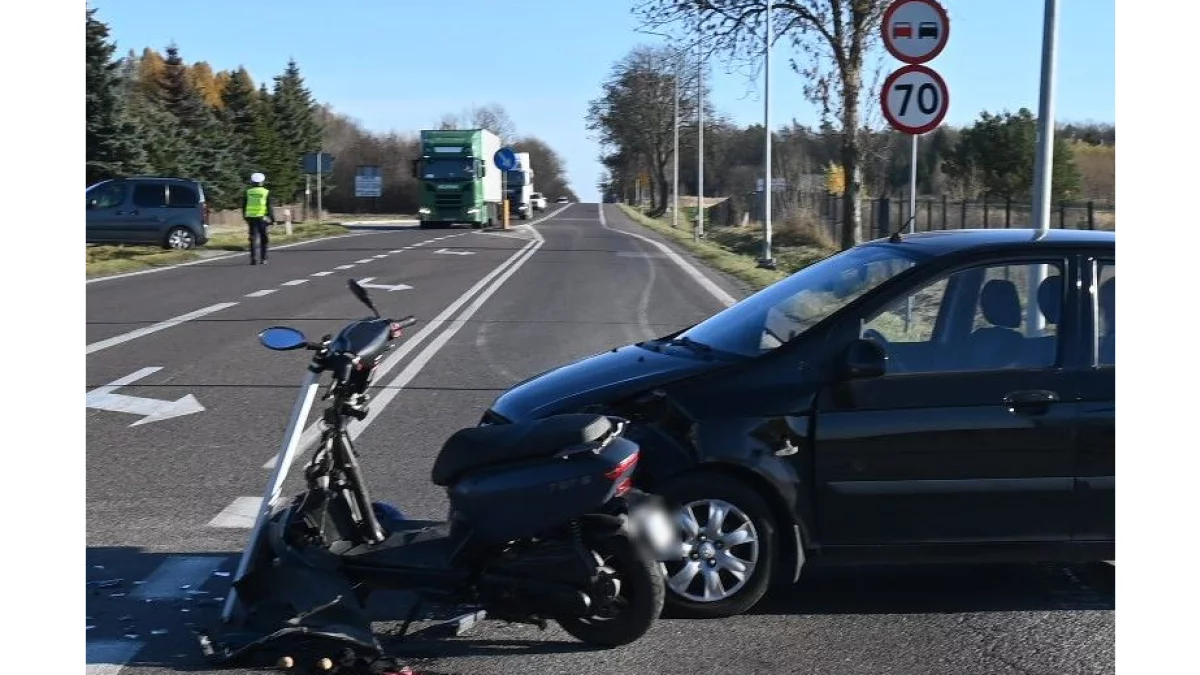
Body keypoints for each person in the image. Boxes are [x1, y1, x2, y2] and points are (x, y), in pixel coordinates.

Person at [243, 172, 274, 265]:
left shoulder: (248, 192)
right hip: (262, 218)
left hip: (251, 218)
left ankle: (253, 258)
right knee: (264, 238)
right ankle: (263, 258)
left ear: (252, 182)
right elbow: (269, 206)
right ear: (262, 182)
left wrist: (245, 217)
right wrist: (272, 219)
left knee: (253, 238)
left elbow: (244, 206)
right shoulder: (266, 192)